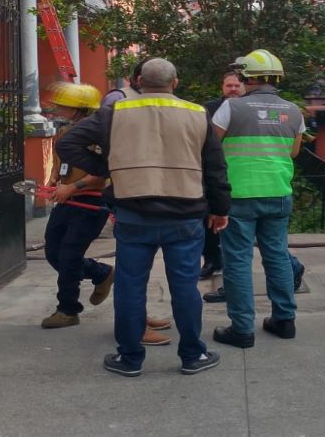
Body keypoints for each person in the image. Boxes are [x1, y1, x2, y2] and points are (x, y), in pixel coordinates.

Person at [56, 58, 232, 377]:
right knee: (185, 288)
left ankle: (130, 358)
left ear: (139, 81)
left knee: (130, 287)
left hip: (133, 213)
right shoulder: (197, 113)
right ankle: (193, 355)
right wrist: (220, 209)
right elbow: (215, 167)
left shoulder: (115, 113)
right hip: (186, 214)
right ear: (175, 82)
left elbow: (68, 143)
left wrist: (109, 169)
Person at [212, 49, 305, 348]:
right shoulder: (293, 111)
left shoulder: (231, 108)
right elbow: (293, 152)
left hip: (239, 196)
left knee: (238, 261)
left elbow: (211, 149)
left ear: (244, 77)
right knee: (276, 255)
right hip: (278, 193)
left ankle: (242, 329)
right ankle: (284, 320)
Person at [39, 83, 115, 330]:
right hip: (66, 201)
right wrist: (53, 182)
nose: (57, 110)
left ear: (78, 109)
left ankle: (68, 309)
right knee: (53, 252)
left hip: (90, 202)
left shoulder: (96, 135)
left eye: (63, 106)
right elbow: (61, 164)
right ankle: (101, 273)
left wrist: (72, 187)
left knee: (70, 255)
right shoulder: (65, 133)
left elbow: (101, 175)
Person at [200, 71, 246, 280]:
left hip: (242, 174)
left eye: (237, 86)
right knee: (209, 221)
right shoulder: (209, 109)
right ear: (222, 87)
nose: (233, 89)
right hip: (214, 172)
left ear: (243, 87)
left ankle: (290, 265)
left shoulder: (249, 109)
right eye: (229, 86)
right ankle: (212, 260)